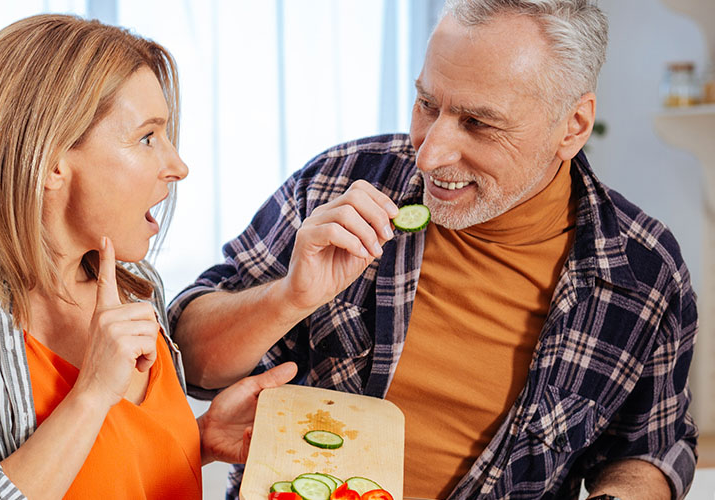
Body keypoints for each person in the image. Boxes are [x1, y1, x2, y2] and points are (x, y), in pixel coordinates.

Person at [169, 1, 698, 499]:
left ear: (573, 126)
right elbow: (190, 361)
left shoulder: (645, 272)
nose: (431, 153)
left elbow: (650, 448)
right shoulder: (337, 182)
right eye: (427, 103)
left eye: (478, 123)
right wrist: (286, 298)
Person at [0, 14, 296, 499]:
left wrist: (195, 441)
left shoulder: (134, 283)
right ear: (50, 161)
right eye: (147, 137)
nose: (178, 165)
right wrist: (91, 393)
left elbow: (103, 476)